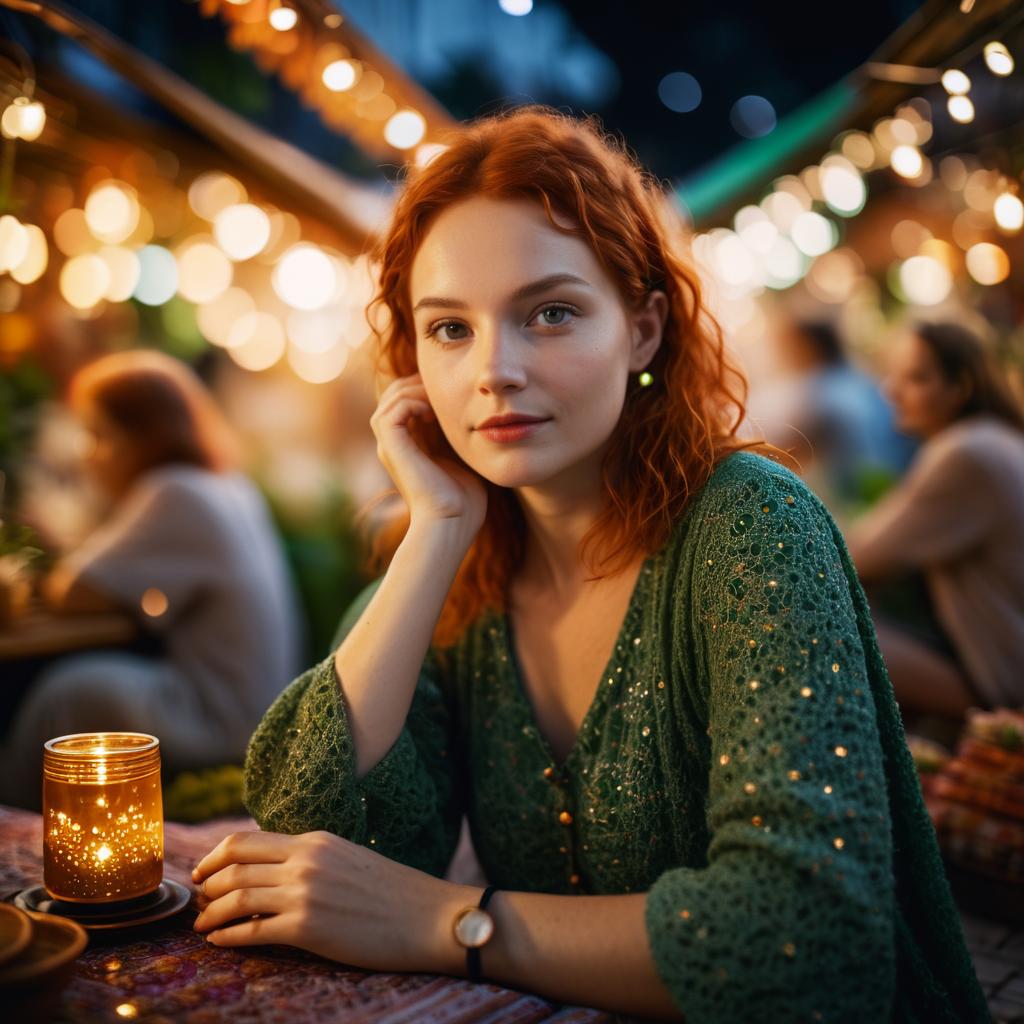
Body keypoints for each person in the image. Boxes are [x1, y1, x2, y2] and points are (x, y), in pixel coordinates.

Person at [190, 107, 988, 1023]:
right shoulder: (460, 571)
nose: (495, 371)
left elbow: (804, 942)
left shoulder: (749, 528)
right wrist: (437, 529)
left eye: (552, 313)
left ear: (643, 331)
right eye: (449, 330)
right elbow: (312, 832)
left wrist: (453, 921)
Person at [0, 350, 303, 809]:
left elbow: (70, 590)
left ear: (142, 436)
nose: (88, 455)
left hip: (218, 714)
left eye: (98, 435)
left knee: (66, 690)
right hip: (260, 706)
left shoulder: (175, 492)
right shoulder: (225, 485)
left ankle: (14, 817)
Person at [847, 320, 1024, 722]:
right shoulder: (994, 438)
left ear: (960, 387)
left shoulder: (965, 454)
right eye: (894, 374)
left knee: (827, 632)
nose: (890, 390)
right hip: (992, 660)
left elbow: (856, 556)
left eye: (916, 378)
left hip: (1005, 681)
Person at [768, 317, 914, 511]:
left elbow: (788, 452)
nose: (785, 355)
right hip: (898, 477)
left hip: (864, 490)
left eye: (790, 346)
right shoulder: (857, 378)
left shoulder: (820, 389)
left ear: (809, 347)